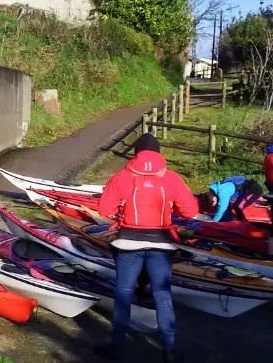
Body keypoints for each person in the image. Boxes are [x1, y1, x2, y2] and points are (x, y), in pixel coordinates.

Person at [95, 133, 198, 363]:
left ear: (136, 153)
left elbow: (104, 209)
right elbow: (190, 211)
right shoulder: (171, 178)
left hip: (128, 243)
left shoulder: (122, 176)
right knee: (162, 293)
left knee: (124, 293)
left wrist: (120, 210)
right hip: (161, 244)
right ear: (159, 154)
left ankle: (117, 347)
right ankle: (169, 350)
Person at [197, 176, 265, 223]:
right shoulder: (212, 188)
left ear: (214, 199)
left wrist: (214, 221)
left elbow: (222, 208)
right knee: (233, 206)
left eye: (212, 204)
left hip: (254, 190)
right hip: (243, 189)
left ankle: (241, 223)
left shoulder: (223, 192)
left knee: (239, 207)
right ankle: (231, 219)